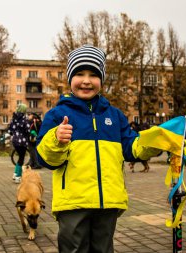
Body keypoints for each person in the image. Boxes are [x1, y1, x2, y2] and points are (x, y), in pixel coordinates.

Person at [36, 45, 163, 252]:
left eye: (94, 75)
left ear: (102, 80)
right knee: (73, 249)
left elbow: (131, 148)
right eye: (79, 73)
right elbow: (45, 159)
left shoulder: (114, 115)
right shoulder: (57, 115)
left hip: (108, 202)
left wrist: (153, 142)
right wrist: (56, 140)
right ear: (69, 79)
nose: (86, 80)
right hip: (73, 203)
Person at [9, 103, 30, 183]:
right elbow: (27, 130)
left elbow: (10, 130)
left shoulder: (14, 118)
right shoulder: (24, 119)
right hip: (22, 141)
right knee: (21, 158)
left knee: (20, 157)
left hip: (15, 140)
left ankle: (15, 174)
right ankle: (18, 176)